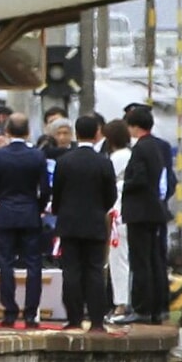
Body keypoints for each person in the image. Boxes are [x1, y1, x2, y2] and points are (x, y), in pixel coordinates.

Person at [51, 115, 118, 332]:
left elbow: (57, 193)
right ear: (97, 133)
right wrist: (100, 209)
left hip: (69, 223)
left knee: (71, 271)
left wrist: (61, 211)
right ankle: (97, 320)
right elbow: (111, 195)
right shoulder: (104, 162)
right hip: (95, 222)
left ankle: (74, 318)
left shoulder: (64, 161)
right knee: (95, 270)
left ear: (76, 134)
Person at [0, 113, 49, 328]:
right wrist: (37, 207)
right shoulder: (37, 156)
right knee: (33, 264)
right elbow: (45, 189)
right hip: (30, 212)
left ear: (8, 131)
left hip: (6, 211)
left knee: (6, 263)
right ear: (28, 131)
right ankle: (31, 313)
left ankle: (9, 311)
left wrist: (2, 200)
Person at [114, 106, 168, 325]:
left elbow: (138, 179)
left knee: (140, 262)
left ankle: (141, 308)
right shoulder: (156, 146)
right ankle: (157, 308)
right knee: (154, 259)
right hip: (154, 210)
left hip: (140, 212)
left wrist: (122, 183)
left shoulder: (140, 149)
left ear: (134, 127)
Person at [102, 120, 134, 319]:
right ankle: (126, 302)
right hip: (131, 213)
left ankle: (121, 304)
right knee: (128, 260)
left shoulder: (115, 159)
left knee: (118, 260)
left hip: (117, 215)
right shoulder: (131, 155)